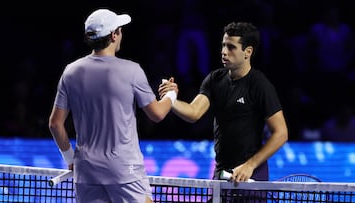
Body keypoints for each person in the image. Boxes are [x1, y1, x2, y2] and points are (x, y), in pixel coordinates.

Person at [48, 8, 177, 203]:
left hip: (86, 173)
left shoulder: (70, 72)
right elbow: (157, 114)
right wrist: (171, 94)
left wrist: (70, 159)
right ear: (113, 35)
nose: (121, 34)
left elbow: (55, 124)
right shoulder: (131, 70)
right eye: (120, 29)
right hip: (125, 172)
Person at [159, 22, 288, 183]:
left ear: (248, 52)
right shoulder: (215, 79)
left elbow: (281, 133)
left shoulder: (260, 85)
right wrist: (171, 98)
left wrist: (250, 165)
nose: (224, 52)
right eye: (223, 46)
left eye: (231, 47)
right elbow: (193, 112)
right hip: (222, 174)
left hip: (252, 176)